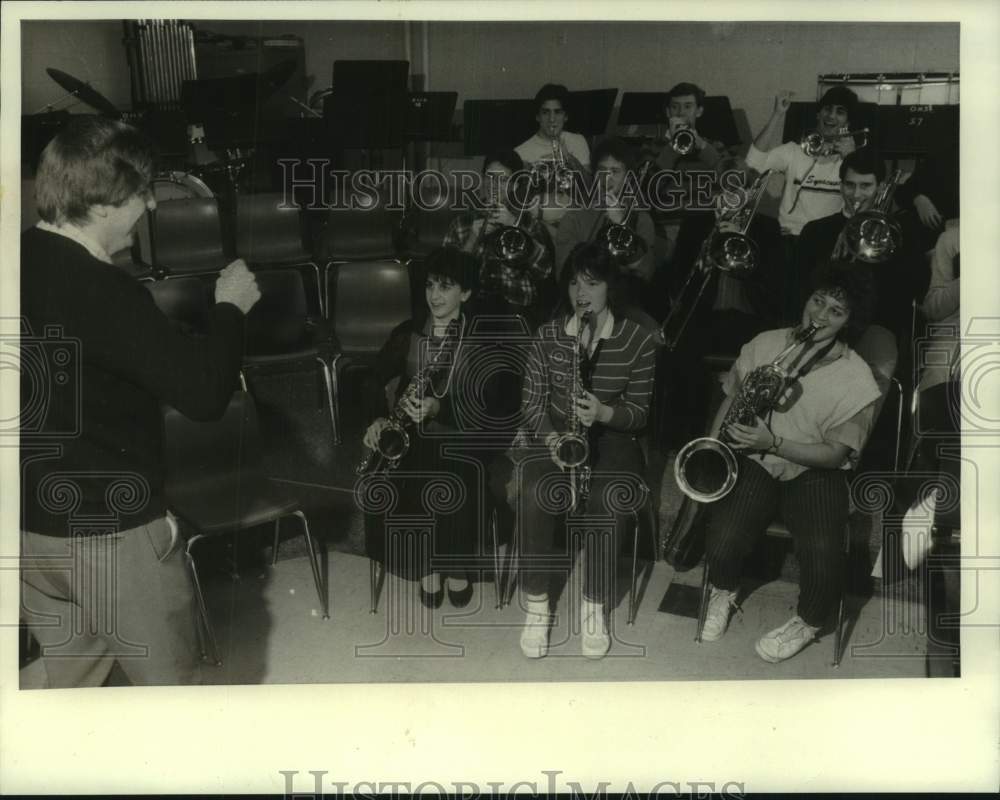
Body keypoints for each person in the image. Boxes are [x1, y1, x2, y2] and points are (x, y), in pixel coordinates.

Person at [19, 116, 261, 688]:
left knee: (73, 688)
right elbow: (203, 396)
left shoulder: (18, 258)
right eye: (140, 194)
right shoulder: (105, 290)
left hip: (29, 527)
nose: (151, 207)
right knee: (170, 698)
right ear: (102, 204)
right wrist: (230, 310)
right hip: (110, 533)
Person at [699, 261, 882, 663]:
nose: (820, 314)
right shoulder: (765, 342)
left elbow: (835, 454)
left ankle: (809, 621)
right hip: (757, 461)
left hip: (815, 470)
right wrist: (713, 449)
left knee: (822, 551)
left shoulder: (859, 379)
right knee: (723, 538)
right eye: (818, 301)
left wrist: (776, 441)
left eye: (836, 311)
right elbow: (732, 395)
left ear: (850, 322)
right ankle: (724, 591)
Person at [512, 242, 657, 660]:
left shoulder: (638, 340)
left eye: (592, 283)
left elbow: (640, 413)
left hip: (613, 436)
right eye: (574, 282)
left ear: (611, 287)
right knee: (533, 489)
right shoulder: (548, 334)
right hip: (557, 435)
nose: (581, 292)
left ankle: (593, 605)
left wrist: (606, 412)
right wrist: (552, 439)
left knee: (608, 500)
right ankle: (537, 605)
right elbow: (532, 404)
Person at [361, 248, 491, 609]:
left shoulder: (479, 339)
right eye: (431, 285)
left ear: (465, 293)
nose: (435, 296)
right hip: (410, 430)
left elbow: (489, 406)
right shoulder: (409, 332)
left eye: (446, 287)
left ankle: (455, 565)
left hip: (461, 432)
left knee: (447, 468)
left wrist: (439, 407)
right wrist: (376, 418)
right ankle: (426, 567)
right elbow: (372, 379)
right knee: (399, 471)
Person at [797, 148, 928, 358]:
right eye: (850, 185)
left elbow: (914, 288)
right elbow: (801, 286)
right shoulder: (815, 231)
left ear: (881, 187)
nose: (856, 194)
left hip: (874, 328)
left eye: (865, 186)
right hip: (821, 322)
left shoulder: (897, 233)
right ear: (840, 186)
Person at [746, 85, 862, 322]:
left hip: (827, 245)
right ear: (818, 115)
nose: (831, 116)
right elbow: (754, 162)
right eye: (827, 109)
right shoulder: (793, 151)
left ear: (848, 121)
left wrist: (852, 157)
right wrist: (778, 115)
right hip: (789, 240)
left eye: (840, 111)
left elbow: (860, 203)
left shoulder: (855, 162)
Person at [443, 150, 555, 328]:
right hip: (471, 310)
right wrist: (472, 238)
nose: (494, 185)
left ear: (515, 185)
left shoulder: (529, 223)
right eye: (490, 177)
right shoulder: (462, 223)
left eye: (503, 180)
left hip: (515, 312)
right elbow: (446, 279)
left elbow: (545, 270)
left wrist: (514, 226)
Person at [515, 84, 591, 239]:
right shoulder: (521, 152)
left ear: (566, 116)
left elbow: (590, 189)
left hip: (579, 222)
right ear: (537, 116)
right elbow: (518, 205)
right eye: (545, 112)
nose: (551, 119)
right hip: (541, 229)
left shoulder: (578, 141)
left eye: (558, 112)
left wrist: (570, 159)